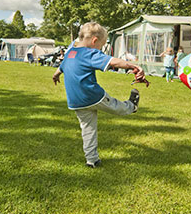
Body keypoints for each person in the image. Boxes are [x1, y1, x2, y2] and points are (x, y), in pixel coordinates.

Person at [52, 22, 145, 168]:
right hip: (93, 96)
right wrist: (133, 66)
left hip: (76, 101)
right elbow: (113, 61)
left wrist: (56, 75)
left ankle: (92, 160)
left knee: (88, 129)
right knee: (117, 107)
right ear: (95, 40)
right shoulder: (90, 53)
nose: (100, 50)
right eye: (101, 46)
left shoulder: (71, 52)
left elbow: (62, 67)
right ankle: (131, 106)